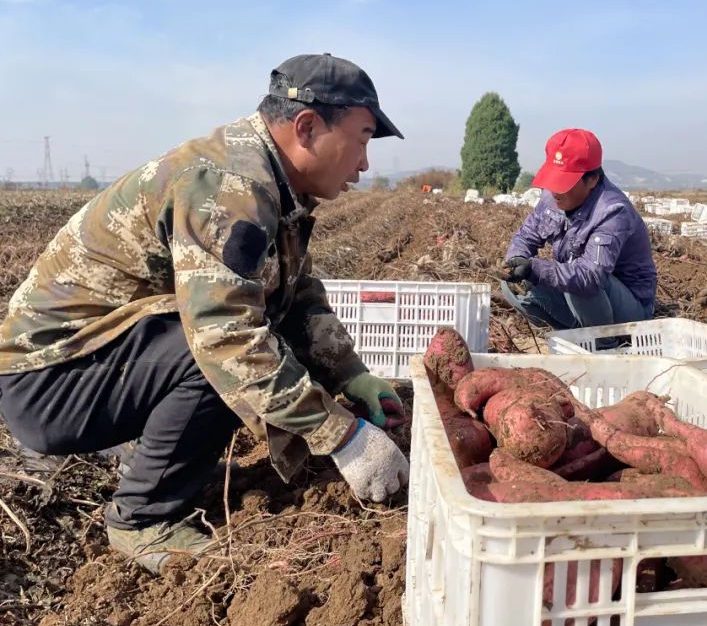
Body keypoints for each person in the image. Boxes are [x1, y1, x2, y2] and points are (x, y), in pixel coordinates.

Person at [0, 54, 410, 573]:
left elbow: (295, 293)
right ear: (307, 127)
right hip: (50, 383)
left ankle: (165, 463)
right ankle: (143, 517)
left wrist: (351, 375)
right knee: (224, 352)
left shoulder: (275, 186)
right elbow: (226, 340)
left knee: (255, 334)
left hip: (95, 366)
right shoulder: (229, 186)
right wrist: (342, 437)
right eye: (363, 137)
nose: (365, 163)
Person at [499, 128, 656, 331]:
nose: (555, 191)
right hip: (586, 302)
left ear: (592, 179)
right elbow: (526, 236)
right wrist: (517, 261)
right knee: (513, 285)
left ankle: (604, 346)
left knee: (579, 286)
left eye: (563, 183)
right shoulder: (551, 199)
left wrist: (536, 269)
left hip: (630, 311)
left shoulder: (612, 211)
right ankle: (575, 335)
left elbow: (590, 277)